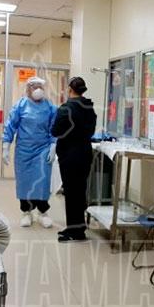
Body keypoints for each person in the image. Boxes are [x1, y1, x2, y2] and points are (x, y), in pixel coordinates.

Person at [2, 76, 57, 228]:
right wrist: (6, 146)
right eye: (34, 87)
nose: (37, 90)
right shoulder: (20, 106)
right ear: (28, 89)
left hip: (43, 149)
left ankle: (42, 212)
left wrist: (53, 146)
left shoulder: (50, 107)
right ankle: (26, 212)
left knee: (42, 180)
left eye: (40, 87)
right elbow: (10, 125)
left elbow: (54, 128)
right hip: (24, 150)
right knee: (24, 181)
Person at [52, 77, 96, 242]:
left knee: (71, 193)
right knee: (79, 192)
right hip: (84, 153)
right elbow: (90, 131)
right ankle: (77, 227)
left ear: (70, 89)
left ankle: (75, 231)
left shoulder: (66, 109)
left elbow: (56, 131)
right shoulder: (89, 107)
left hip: (70, 155)